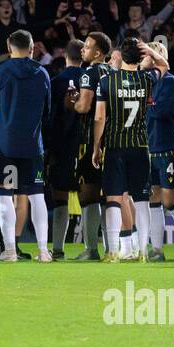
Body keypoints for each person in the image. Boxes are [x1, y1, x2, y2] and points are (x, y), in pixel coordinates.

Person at [0, 30, 52, 262]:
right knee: (36, 197)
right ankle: (43, 251)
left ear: (9, 47)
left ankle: (9, 250)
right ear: (32, 48)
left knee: (5, 196)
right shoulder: (42, 74)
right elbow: (48, 110)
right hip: (33, 145)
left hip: (6, 146)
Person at [91, 38, 162, 261]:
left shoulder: (106, 81)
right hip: (140, 146)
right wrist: (150, 50)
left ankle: (112, 251)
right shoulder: (147, 79)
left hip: (115, 145)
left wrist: (96, 146)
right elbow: (164, 66)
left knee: (113, 198)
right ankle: (142, 250)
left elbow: (100, 116)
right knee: (141, 200)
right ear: (141, 57)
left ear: (120, 54)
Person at [145, 41, 174, 261]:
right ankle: (157, 249)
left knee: (167, 199)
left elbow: (162, 111)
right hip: (148, 146)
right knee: (152, 198)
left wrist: (144, 103)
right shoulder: (145, 82)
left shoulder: (171, 82)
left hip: (167, 147)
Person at [70, 32, 113, 259]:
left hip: (90, 141)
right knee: (110, 195)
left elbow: (85, 107)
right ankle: (112, 247)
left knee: (88, 195)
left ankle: (90, 249)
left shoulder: (89, 73)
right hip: (113, 141)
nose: (83, 50)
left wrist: (73, 102)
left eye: (87, 47)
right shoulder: (113, 72)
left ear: (98, 53)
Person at [45, 39, 86, 259]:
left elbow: (50, 118)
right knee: (90, 197)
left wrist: (49, 148)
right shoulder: (93, 79)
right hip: (87, 147)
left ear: (65, 56)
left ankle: (58, 249)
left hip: (62, 147)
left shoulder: (55, 82)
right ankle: (94, 248)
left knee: (60, 197)